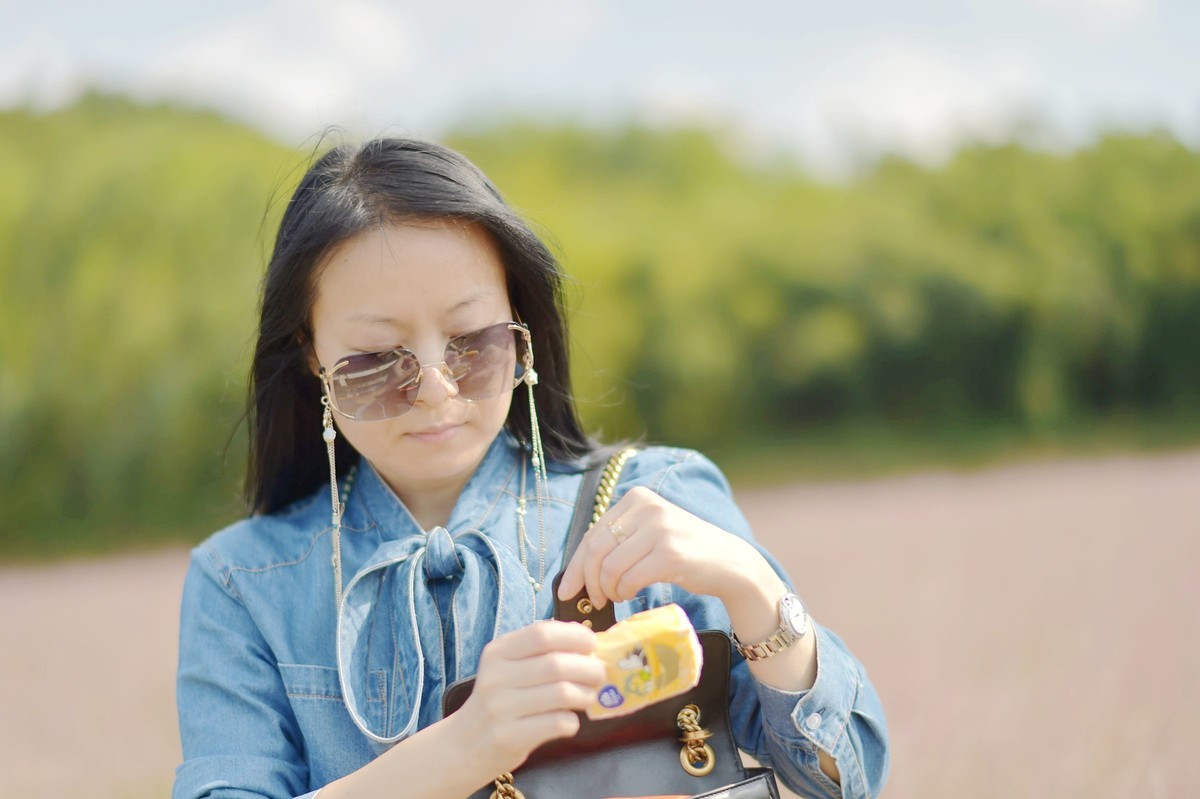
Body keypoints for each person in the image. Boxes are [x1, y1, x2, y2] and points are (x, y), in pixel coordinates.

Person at [172, 137, 889, 799]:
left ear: (521, 327)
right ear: (311, 356)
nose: (436, 389)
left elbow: (844, 776)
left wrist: (753, 586)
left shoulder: (653, 503)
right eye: (378, 360)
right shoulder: (243, 584)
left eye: (471, 341)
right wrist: (464, 745)